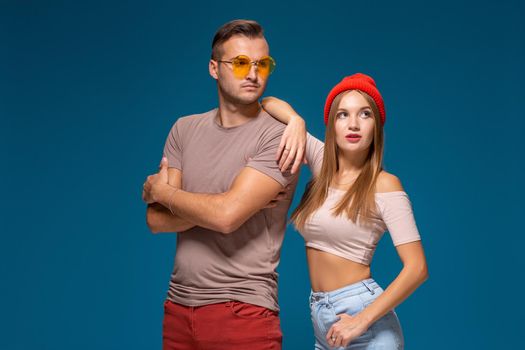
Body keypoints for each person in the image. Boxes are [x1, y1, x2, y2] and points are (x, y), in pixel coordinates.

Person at [141, 19, 303, 350]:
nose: (254, 74)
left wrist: (164, 193)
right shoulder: (184, 129)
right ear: (214, 68)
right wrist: (227, 204)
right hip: (178, 308)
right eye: (241, 63)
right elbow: (156, 220)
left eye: (263, 64)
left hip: (243, 311)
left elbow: (226, 217)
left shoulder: (278, 135)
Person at [262, 73, 429, 349]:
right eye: (343, 115)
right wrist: (296, 120)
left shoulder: (385, 185)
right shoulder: (321, 162)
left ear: (376, 125)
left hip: (365, 322)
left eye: (365, 114)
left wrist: (361, 320)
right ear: (332, 125)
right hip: (322, 318)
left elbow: (418, 268)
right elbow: (267, 103)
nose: (353, 124)